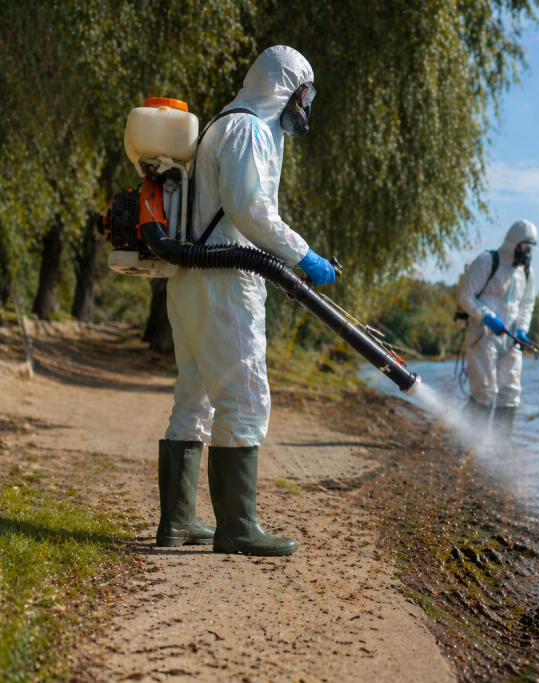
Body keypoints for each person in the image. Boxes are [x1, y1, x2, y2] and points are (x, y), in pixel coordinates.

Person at [156, 46, 336, 556]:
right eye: (304, 95)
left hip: (191, 276)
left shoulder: (221, 123)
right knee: (245, 396)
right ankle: (237, 529)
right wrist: (306, 255)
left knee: (193, 397)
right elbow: (251, 210)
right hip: (225, 279)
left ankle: (179, 523)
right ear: (287, 87)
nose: (304, 107)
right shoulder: (251, 131)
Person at [458, 220, 538, 437]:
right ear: (513, 243)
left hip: (511, 339)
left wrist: (522, 329)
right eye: (524, 247)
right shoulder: (487, 262)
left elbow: (527, 304)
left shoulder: (526, 273)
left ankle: (502, 450)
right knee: (484, 391)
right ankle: (466, 442)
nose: (527, 253)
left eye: (530, 248)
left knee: (511, 392)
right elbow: (466, 297)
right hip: (482, 335)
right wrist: (487, 317)